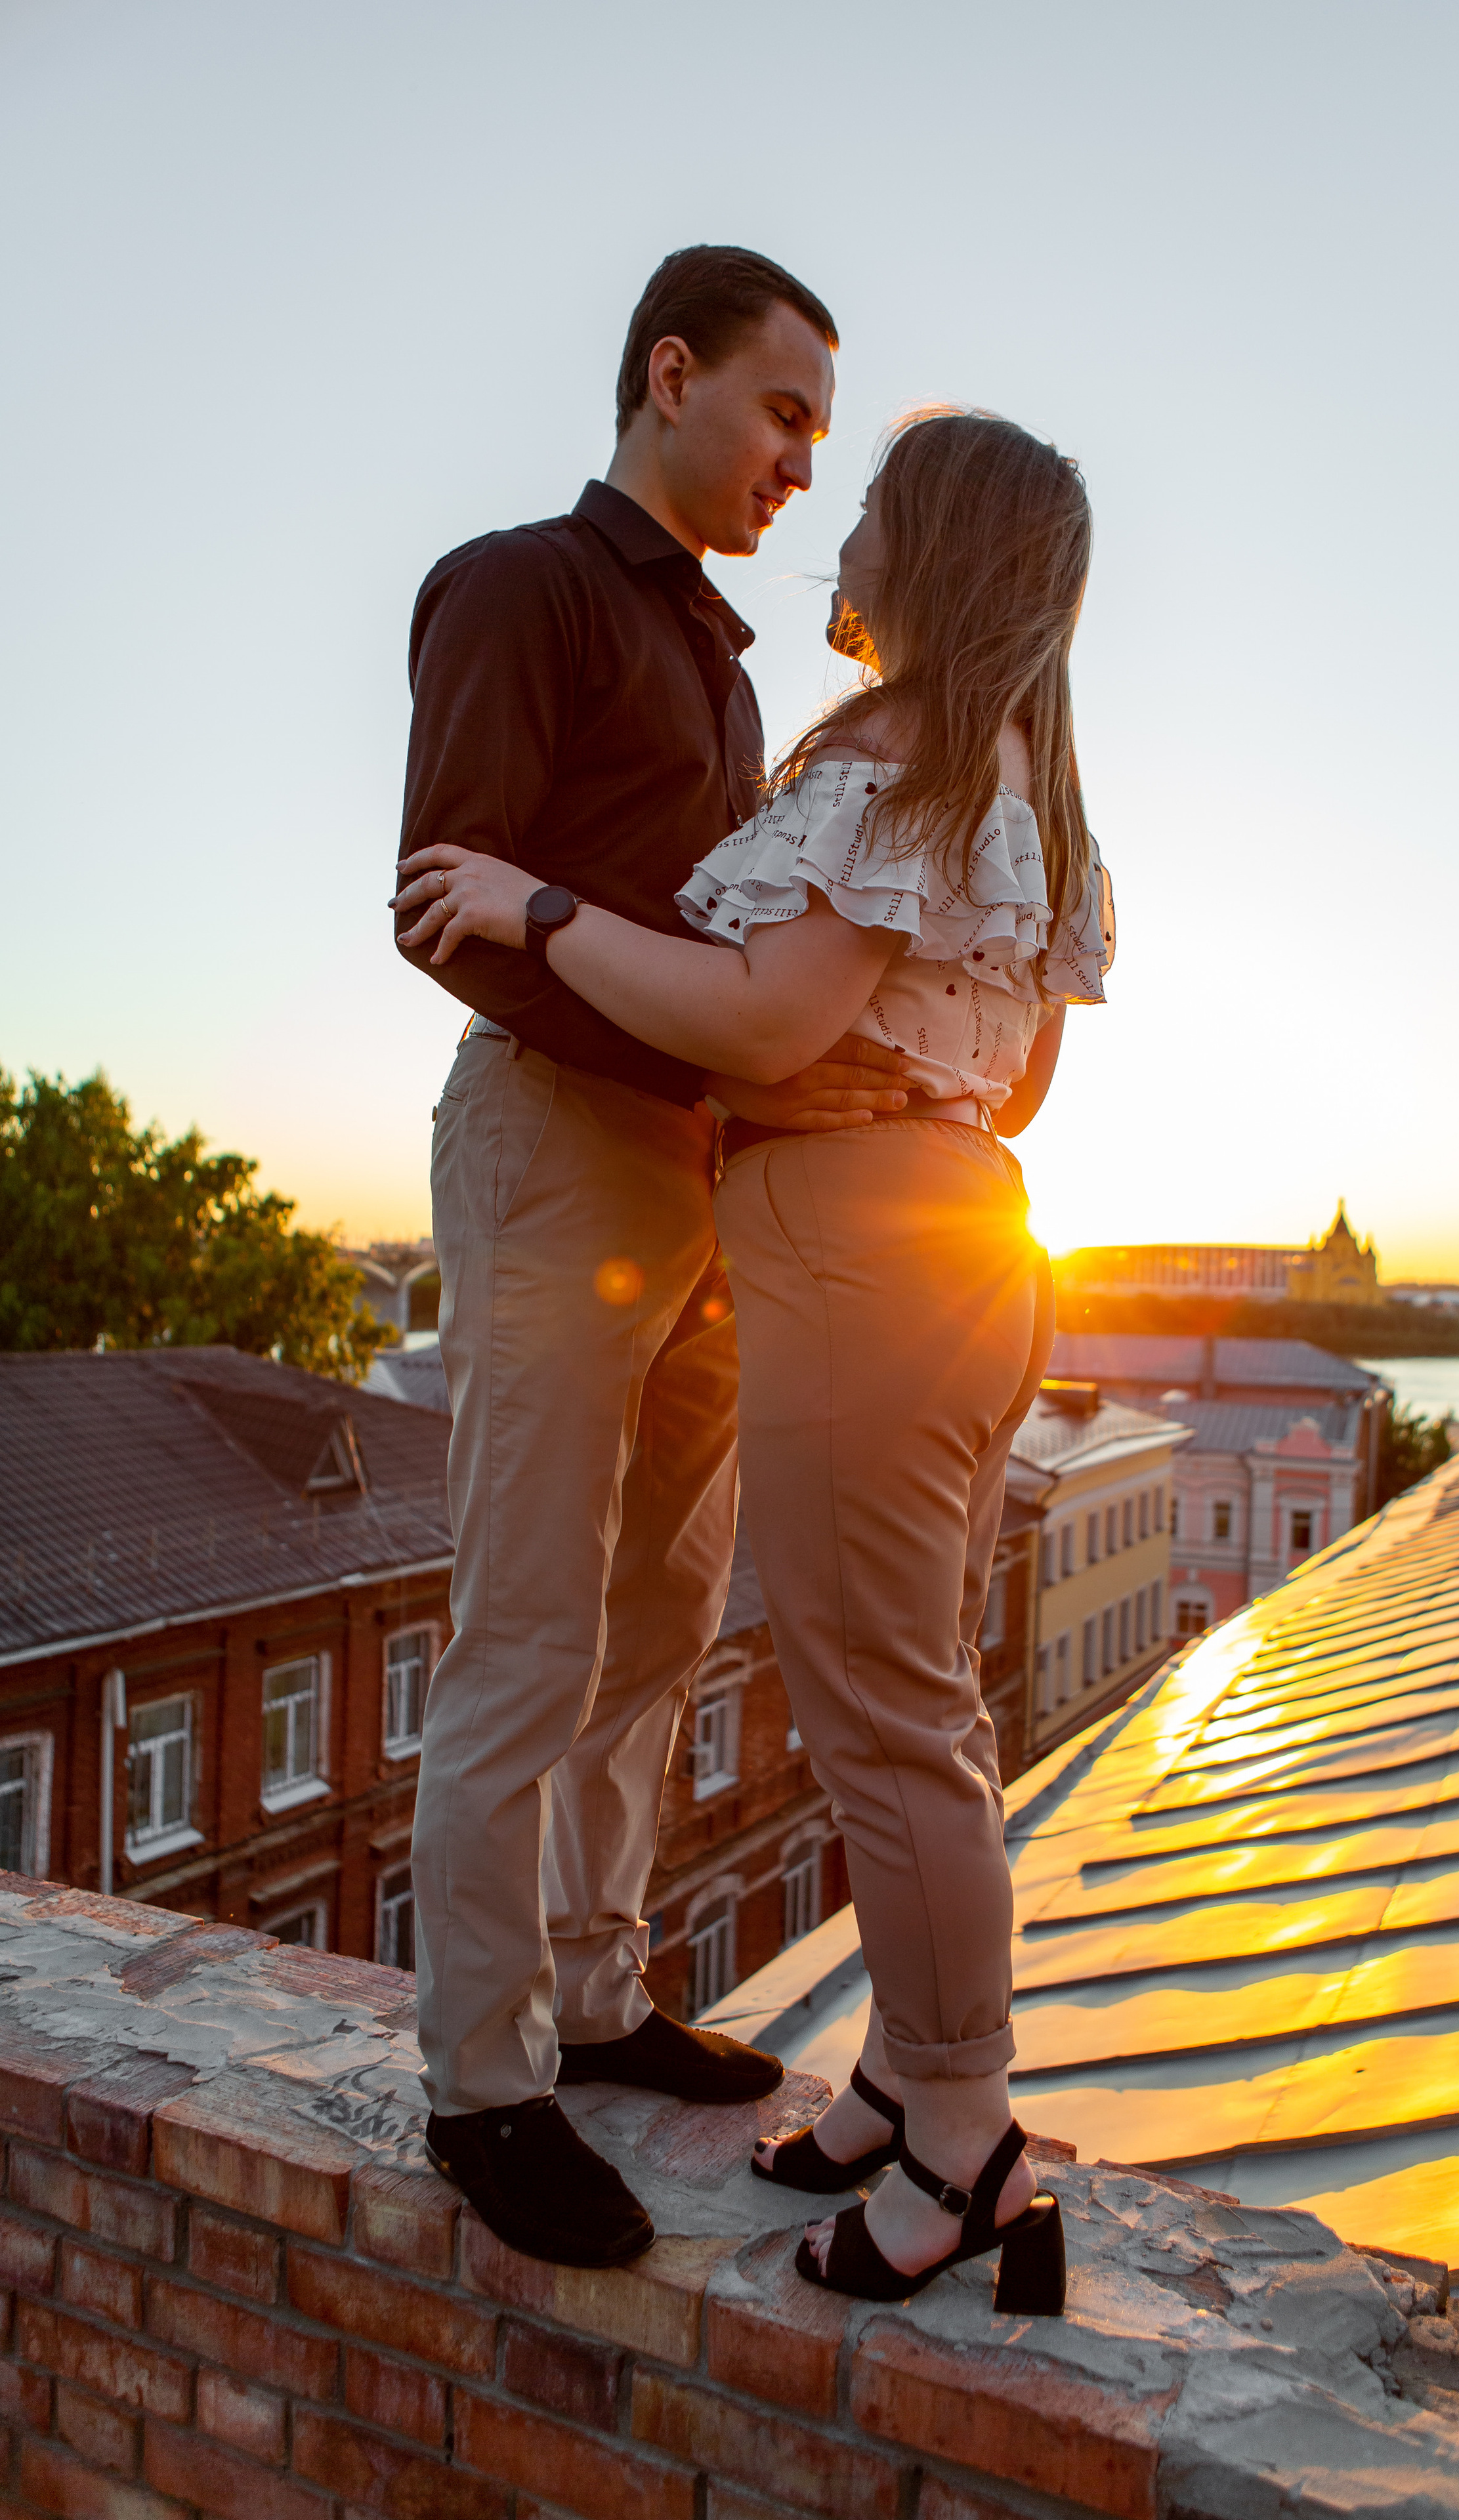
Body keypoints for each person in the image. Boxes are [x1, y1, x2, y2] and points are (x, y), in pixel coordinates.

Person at [395, 407, 1113, 2315]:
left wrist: (545, 908)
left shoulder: (891, 753)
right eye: (794, 419)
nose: (830, 507)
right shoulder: (1027, 771)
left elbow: (769, 1014)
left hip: (847, 1252)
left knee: (883, 1716)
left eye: (861, 483)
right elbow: (1020, 1058)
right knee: (905, 1689)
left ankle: (959, 2132)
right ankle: (894, 2075)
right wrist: (905, 1070)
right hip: (936, 1242)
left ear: (934, 553)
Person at [393, 245, 913, 2274]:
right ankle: (481, 2081)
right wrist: (685, 1022)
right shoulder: (512, 582)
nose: (803, 459)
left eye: (819, 431)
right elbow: (447, 898)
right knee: (525, 1624)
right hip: (553, 1145)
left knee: (658, 1620)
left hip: (701, 1180)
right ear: (668, 373)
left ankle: (598, 1993)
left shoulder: (726, 663)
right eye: (785, 410)